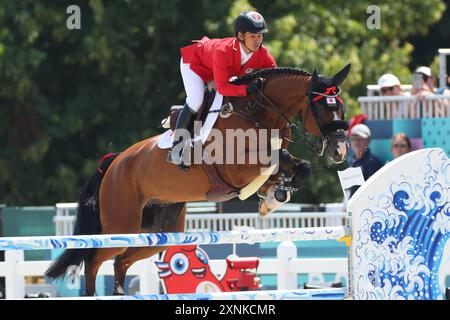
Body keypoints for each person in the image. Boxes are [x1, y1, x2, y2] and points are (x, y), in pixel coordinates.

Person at [168, 11, 277, 170]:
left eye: (260, 36)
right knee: (196, 101)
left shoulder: (262, 53)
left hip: (216, 70)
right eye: (252, 36)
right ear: (240, 35)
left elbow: (275, 74)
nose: (257, 41)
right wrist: (246, 89)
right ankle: (176, 149)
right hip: (194, 64)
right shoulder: (223, 51)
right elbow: (223, 87)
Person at [348, 123, 383, 197]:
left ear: (368, 140)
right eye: (354, 138)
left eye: (360, 139)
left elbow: (376, 189)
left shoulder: (373, 162)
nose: (356, 142)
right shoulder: (351, 161)